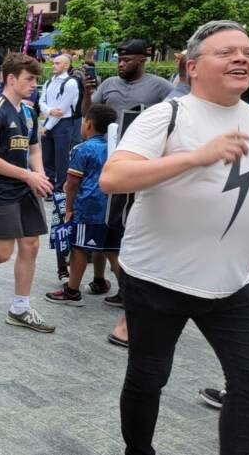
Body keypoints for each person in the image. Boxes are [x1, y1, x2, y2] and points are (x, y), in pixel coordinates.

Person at [99, 20, 249, 455]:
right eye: (226, 52)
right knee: (149, 377)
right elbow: (114, 177)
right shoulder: (166, 116)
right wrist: (196, 158)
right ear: (191, 67)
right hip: (156, 280)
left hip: (232, 282)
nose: (241, 58)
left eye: (247, 51)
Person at [0, 53, 55, 333]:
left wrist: (38, 174)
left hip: (25, 187)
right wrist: (28, 175)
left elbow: (34, 147)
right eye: (29, 79)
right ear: (11, 78)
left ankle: (20, 307)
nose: (33, 85)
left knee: (31, 245)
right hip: (2, 189)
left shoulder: (27, 111)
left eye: (36, 80)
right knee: (1, 253)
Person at [91, 38, 174, 343]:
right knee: (114, 223)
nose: (120, 62)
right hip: (111, 163)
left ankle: (134, 292)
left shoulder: (160, 87)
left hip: (143, 168)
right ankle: (119, 286)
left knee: (134, 226)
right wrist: (89, 91)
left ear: (144, 58)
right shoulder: (110, 83)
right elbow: (92, 114)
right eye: (119, 58)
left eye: (127, 59)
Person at [44, 104, 120, 305]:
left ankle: (72, 291)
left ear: (88, 124)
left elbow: (72, 184)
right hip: (112, 207)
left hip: (89, 207)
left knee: (79, 247)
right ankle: (109, 285)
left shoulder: (83, 149)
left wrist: (69, 209)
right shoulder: (118, 148)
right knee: (110, 248)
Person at [40, 54, 80, 192]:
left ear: (66, 65)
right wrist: (50, 111)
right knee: (47, 157)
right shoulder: (49, 82)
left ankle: (60, 189)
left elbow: (62, 110)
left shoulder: (71, 83)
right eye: (53, 63)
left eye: (57, 63)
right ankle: (48, 187)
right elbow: (41, 103)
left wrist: (47, 126)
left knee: (61, 158)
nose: (53, 65)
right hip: (49, 120)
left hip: (63, 123)